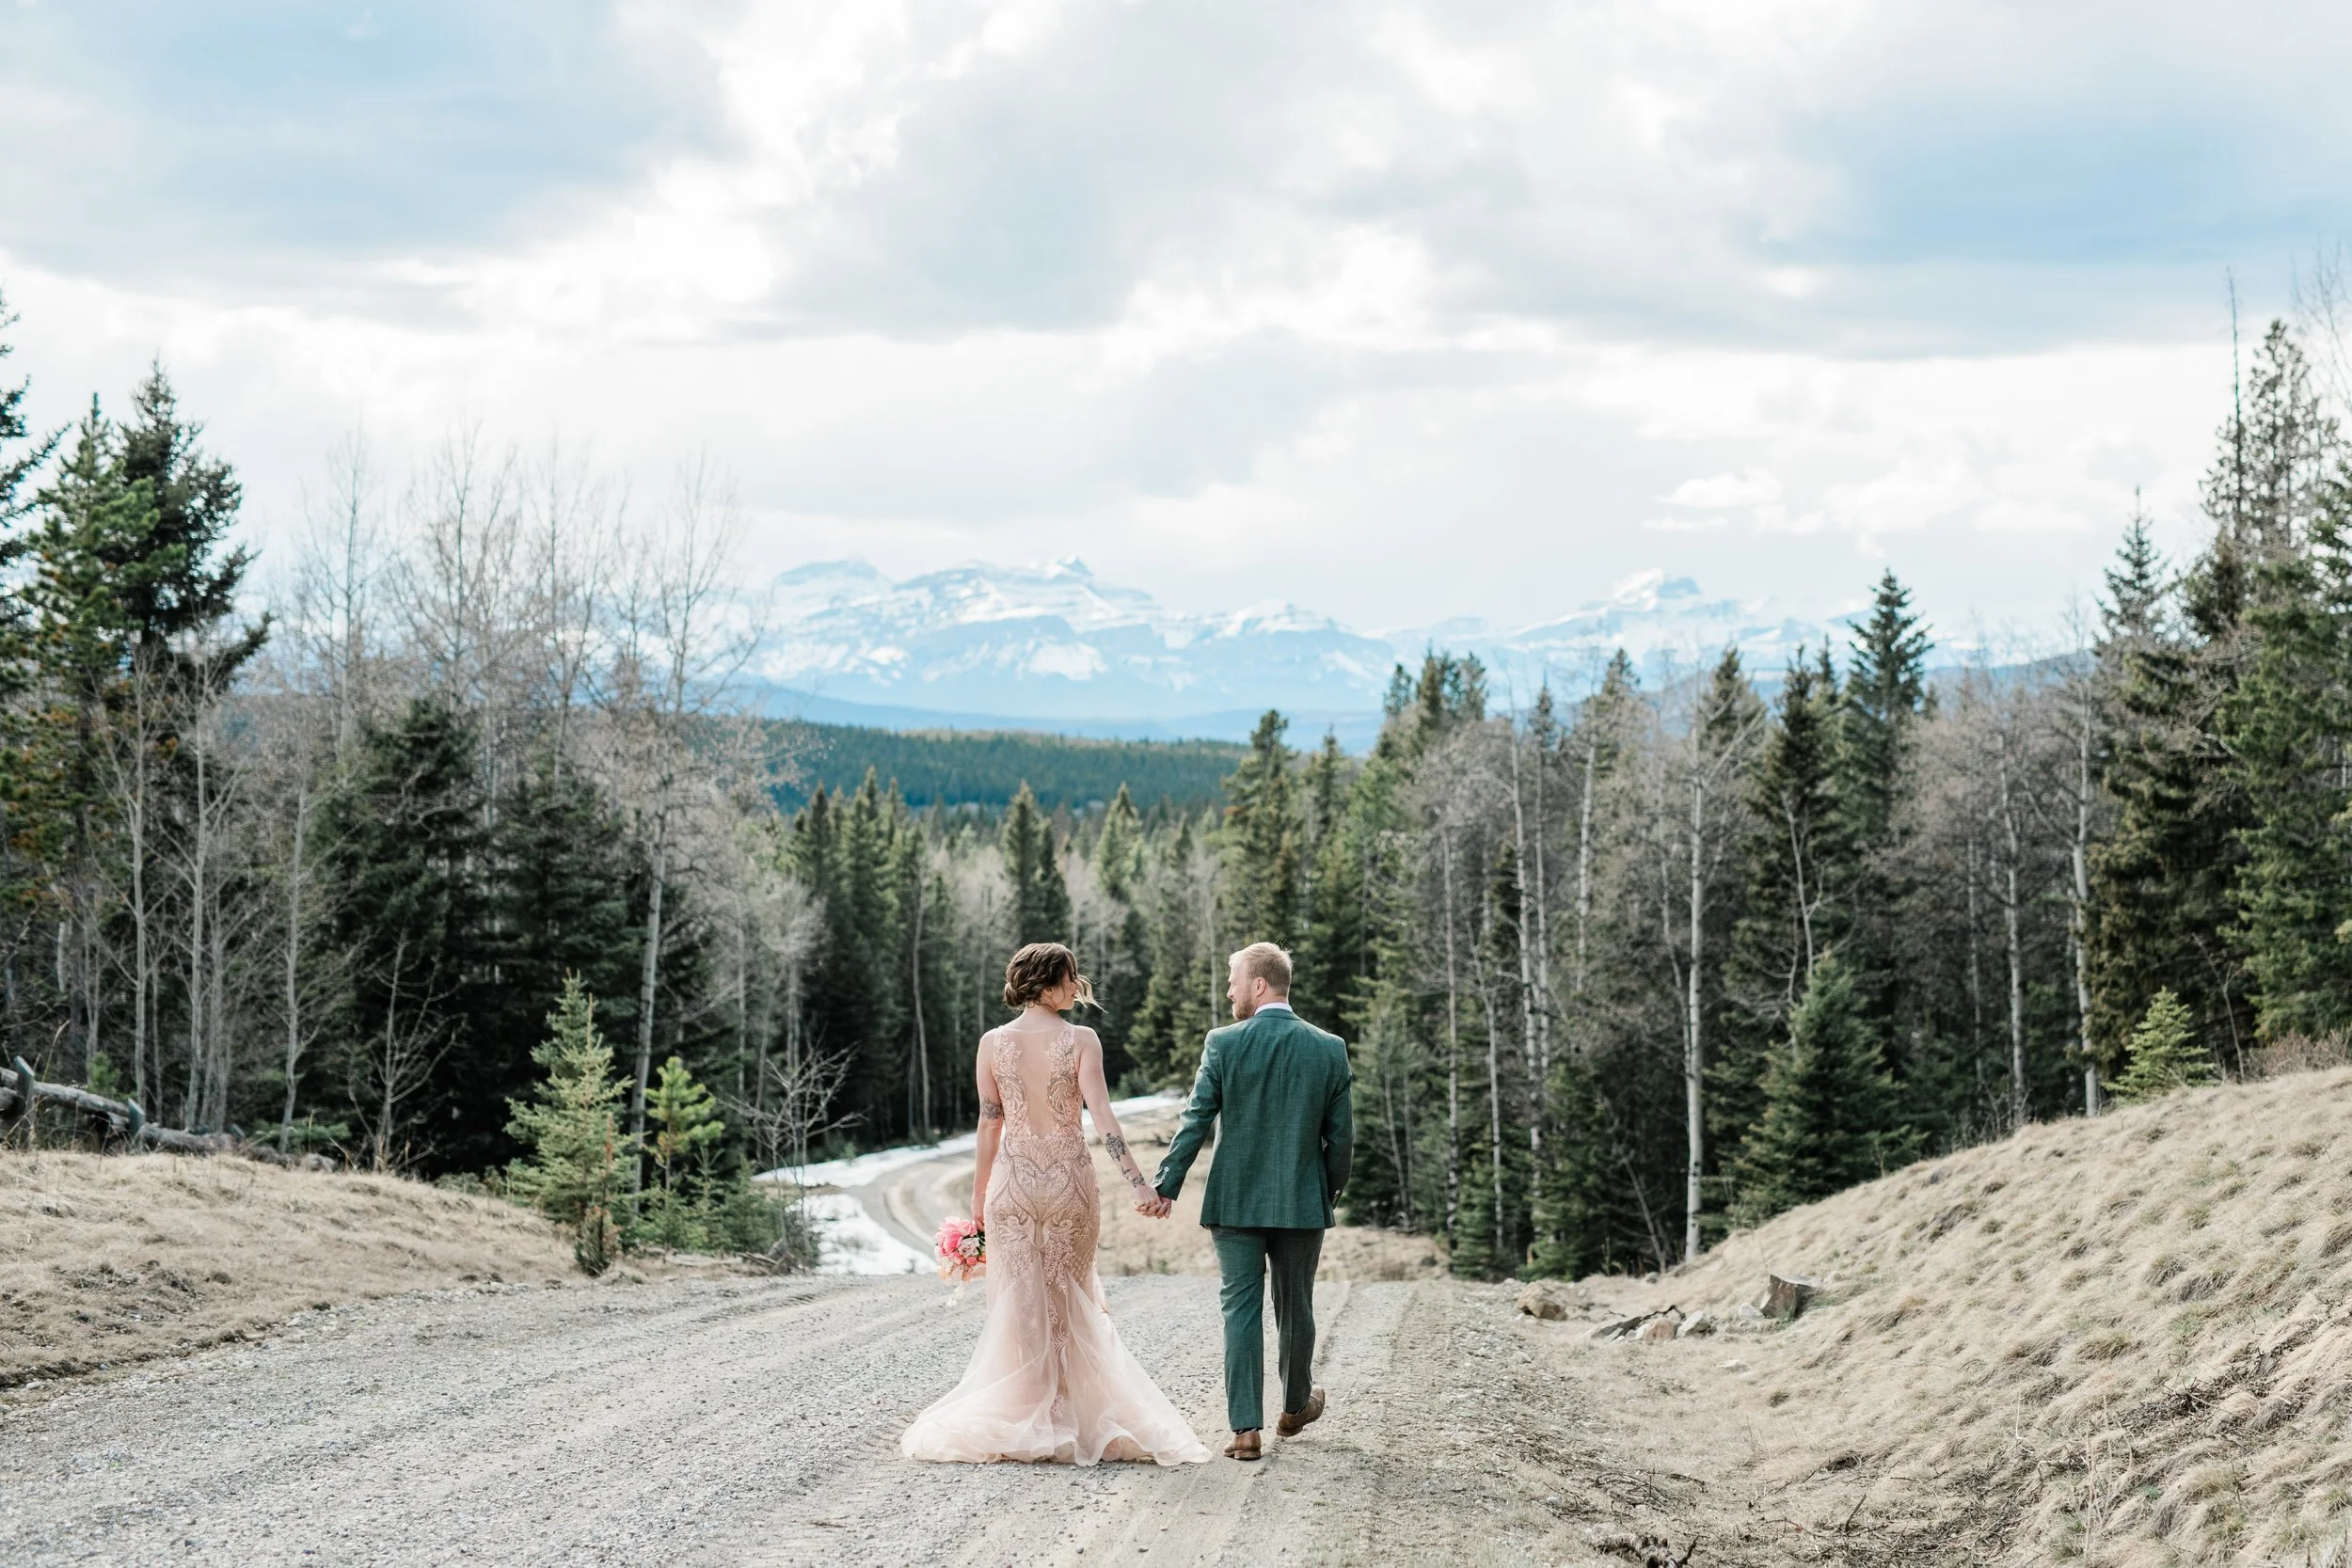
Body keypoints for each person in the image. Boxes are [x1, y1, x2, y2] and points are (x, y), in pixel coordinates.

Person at [900, 942, 1210, 1466]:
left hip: (1013, 1184)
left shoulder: (992, 1043)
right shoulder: (1082, 1040)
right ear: (1047, 984)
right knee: (1071, 1293)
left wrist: (979, 1194)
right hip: (1068, 1181)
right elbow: (1103, 1116)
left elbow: (990, 1123)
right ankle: (1070, 1410)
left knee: (1020, 1298)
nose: (1076, 986)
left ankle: (1029, 1411)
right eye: (1070, 977)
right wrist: (1138, 1183)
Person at [1150, 941, 1354, 1462]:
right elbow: (1341, 1139)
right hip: (1301, 1202)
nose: (1229, 991)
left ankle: (1245, 1431)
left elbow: (1196, 1118)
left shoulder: (1223, 1043)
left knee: (1240, 1308)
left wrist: (1167, 1184)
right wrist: (1326, 1191)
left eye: (1233, 981)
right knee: (1296, 1305)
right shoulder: (1329, 1047)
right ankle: (1295, 1407)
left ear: (1258, 985)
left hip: (1235, 1200)